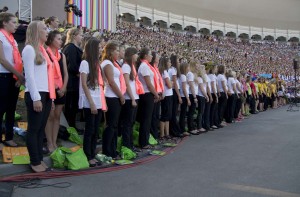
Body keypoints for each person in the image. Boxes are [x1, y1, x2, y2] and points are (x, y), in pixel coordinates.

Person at [22, 20, 55, 172]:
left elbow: (47, 75)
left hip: (46, 93)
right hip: (36, 93)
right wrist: (36, 97)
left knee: (41, 129)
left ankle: (39, 159)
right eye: (44, 28)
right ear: (36, 31)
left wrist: (51, 97)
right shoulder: (29, 49)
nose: (47, 30)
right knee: (34, 129)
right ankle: (34, 161)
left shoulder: (43, 50)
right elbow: (29, 76)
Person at [79, 37, 106, 167]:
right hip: (90, 101)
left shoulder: (97, 63)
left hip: (98, 99)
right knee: (90, 129)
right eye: (100, 47)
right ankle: (88, 155)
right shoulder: (85, 63)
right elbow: (84, 84)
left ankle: (93, 154)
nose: (101, 49)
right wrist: (91, 103)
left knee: (96, 129)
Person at [0, 12, 25, 150]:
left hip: (13, 76)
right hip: (3, 76)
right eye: (13, 22)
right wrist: (19, 75)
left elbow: (18, 60)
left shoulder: (12, 39)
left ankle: (9, 137)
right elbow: (2, 60)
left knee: (11, 108)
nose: (16, 25)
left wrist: (18, 76)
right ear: (4, 23)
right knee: (1, 108)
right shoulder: (1, 36)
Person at [101, 41, 126, 158]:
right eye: (116, 50)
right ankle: (107, 150)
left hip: (115, 96)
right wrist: (121, 95)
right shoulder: (107, 63)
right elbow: (111, 81)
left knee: (114, 125)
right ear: (110, 51)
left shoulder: (114, 63)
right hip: (111, 97)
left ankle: (113, 148)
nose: (118, 52)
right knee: (111, 125)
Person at [44, 30, 68, 152]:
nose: (61, 41)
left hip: (61, 90)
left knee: (57, 116)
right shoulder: (46, 53)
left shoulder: (62, 55)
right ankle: (49, 142)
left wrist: (63, 88)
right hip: (50, 89)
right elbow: (46, 74)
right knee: (50, 116)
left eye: (61, 39)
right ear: (51, 40)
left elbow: (66, 73)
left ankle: (54, 141)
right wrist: (55, 88)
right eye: (58, 39)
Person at [119, 47, 143, 150]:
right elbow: (126, 84)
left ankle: (130, 144)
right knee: (127, 123)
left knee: (131, 122)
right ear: (131, 55)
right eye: (136, 54)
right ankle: (127, 145)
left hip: (134, 97)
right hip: (129, 98)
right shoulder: (126, 66)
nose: (137, 56)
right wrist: (132, 98)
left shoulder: (132, 66)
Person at [137, 47, 160, 149]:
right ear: (145, 55)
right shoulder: (144, 66)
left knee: (148, 119)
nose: (152, 56)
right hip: (146, 94)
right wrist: (156, 94)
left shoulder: (146, 66)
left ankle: (145, 140)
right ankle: (143, 142)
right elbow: (149, 84)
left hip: (148, 93)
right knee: (146, 119)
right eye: (150, 54)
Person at [62, 27, 83, 128]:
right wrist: (80, 72)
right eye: (80, 35)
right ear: (74, 36)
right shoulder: (70, 47)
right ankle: (70, 126)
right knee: (71, 105)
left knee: (73, 105)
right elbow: (72, 65)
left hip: (74, 80)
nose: (81, 37)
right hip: (71, 81)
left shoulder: (73, 47)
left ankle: (72, 125)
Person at [159, 55, 173, 141]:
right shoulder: (164, 72)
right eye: (169, 62)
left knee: (167, 115)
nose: (170, 63)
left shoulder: (164, 71)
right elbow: (169, 85)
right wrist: (171, 83)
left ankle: (166, 133)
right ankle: (162, 134)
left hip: (168, 94)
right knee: (165, 115)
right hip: (166, 95)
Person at [168, 54, 182, 137]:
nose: (178, 62)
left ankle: (173, 130)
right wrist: (179, 95)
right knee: (174, 112)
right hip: (174, 91)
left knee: (173, 111)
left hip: (173, 91)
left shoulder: (172, 69)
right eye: (177, 60)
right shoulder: (173, 70)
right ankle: (174, 130)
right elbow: (175, 84)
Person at [179, 62, 191, 136]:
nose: (189, 68)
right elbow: (184, 88)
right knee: (183, 114)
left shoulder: (183, 76)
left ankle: (182, 129)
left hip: (184, 95)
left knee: (183, 114)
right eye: (188, 67)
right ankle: (182, 130)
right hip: (184, 96)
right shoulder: (183, 76)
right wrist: (188, 98)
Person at [196, 65, 209, 133]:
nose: (205, 70)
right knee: (200, 112)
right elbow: (201, 89)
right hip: (201, 96)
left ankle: (201, 125)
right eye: (203, 69)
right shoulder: (199, 78)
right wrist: (206, 96)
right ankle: (199, 126)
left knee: (202, 112)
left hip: (202, 95)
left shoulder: (202, 78)